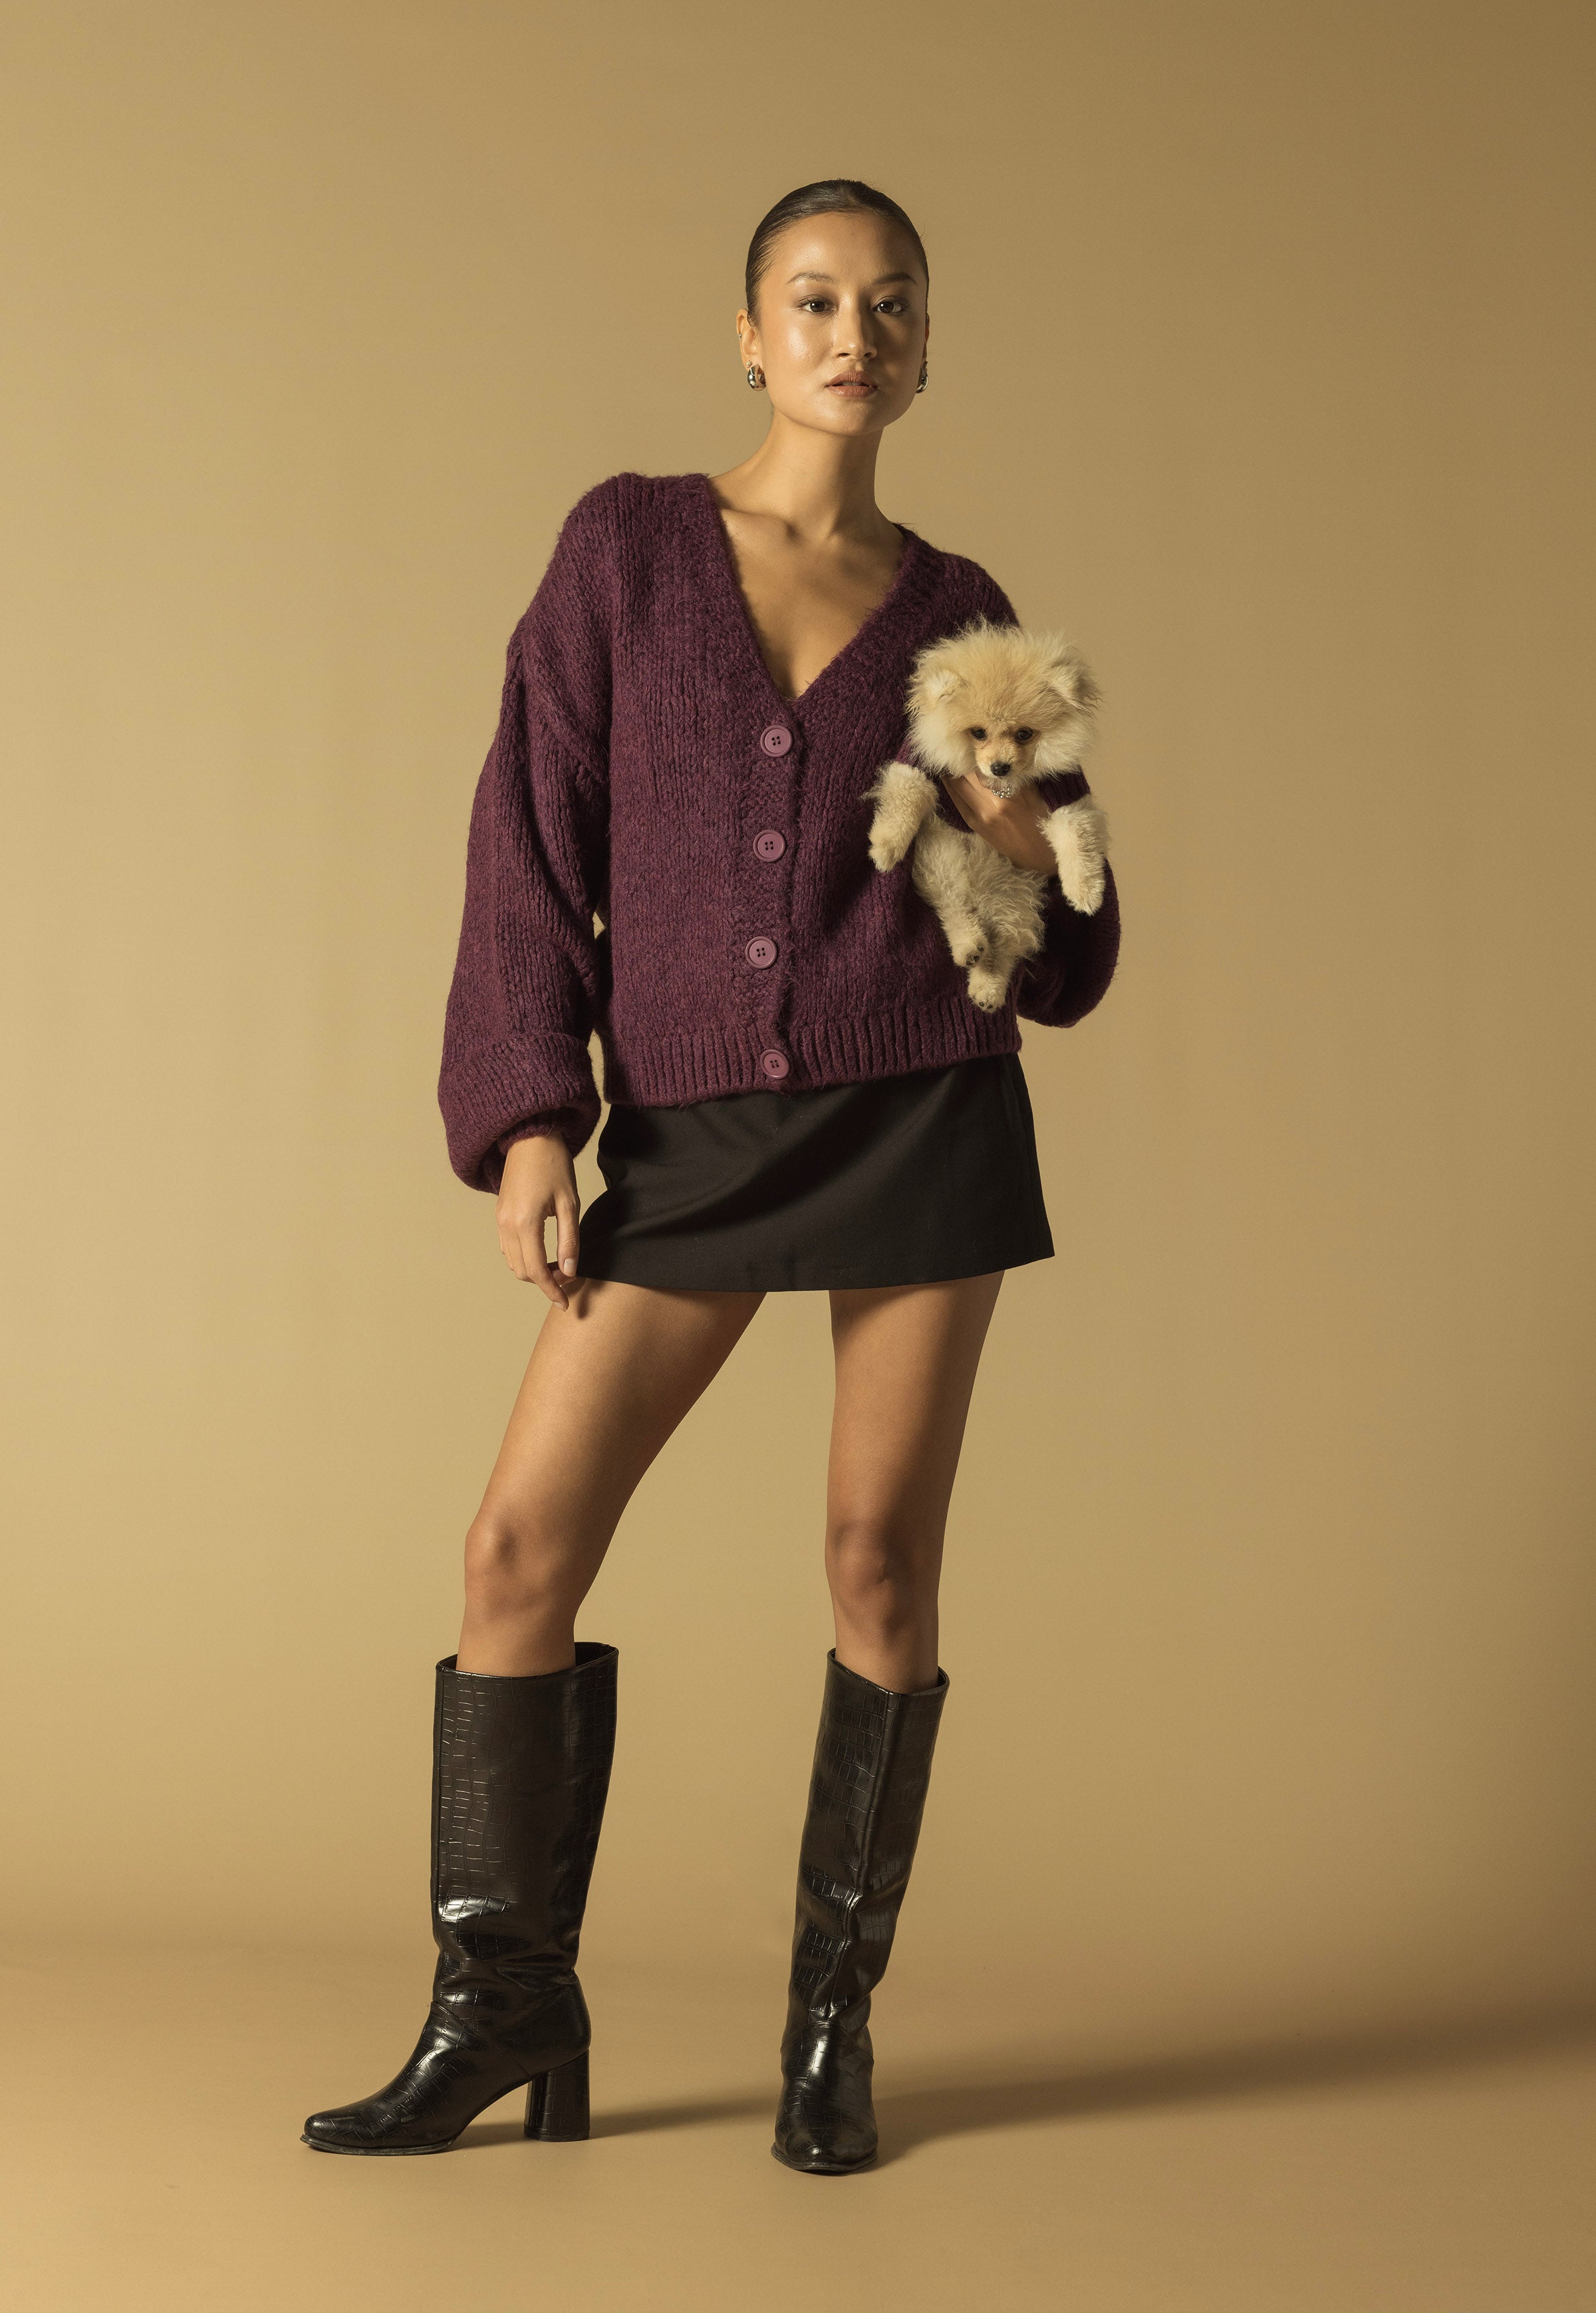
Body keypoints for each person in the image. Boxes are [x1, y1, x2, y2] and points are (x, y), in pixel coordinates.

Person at [302, 178, 1121, 2175]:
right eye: (814, 300)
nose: (855, 334)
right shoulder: (630, 549)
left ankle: (831, 2031)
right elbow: (530, 827)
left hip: (921, 1107)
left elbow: (1076, 952)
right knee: (516, 1553)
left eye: (891, 304)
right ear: (751, 336)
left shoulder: (962, 611)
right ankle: (503, 2008)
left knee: (876, 1563)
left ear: (923, 349)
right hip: (689, 1130)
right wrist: (530, 1112)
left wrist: (1025, 841)